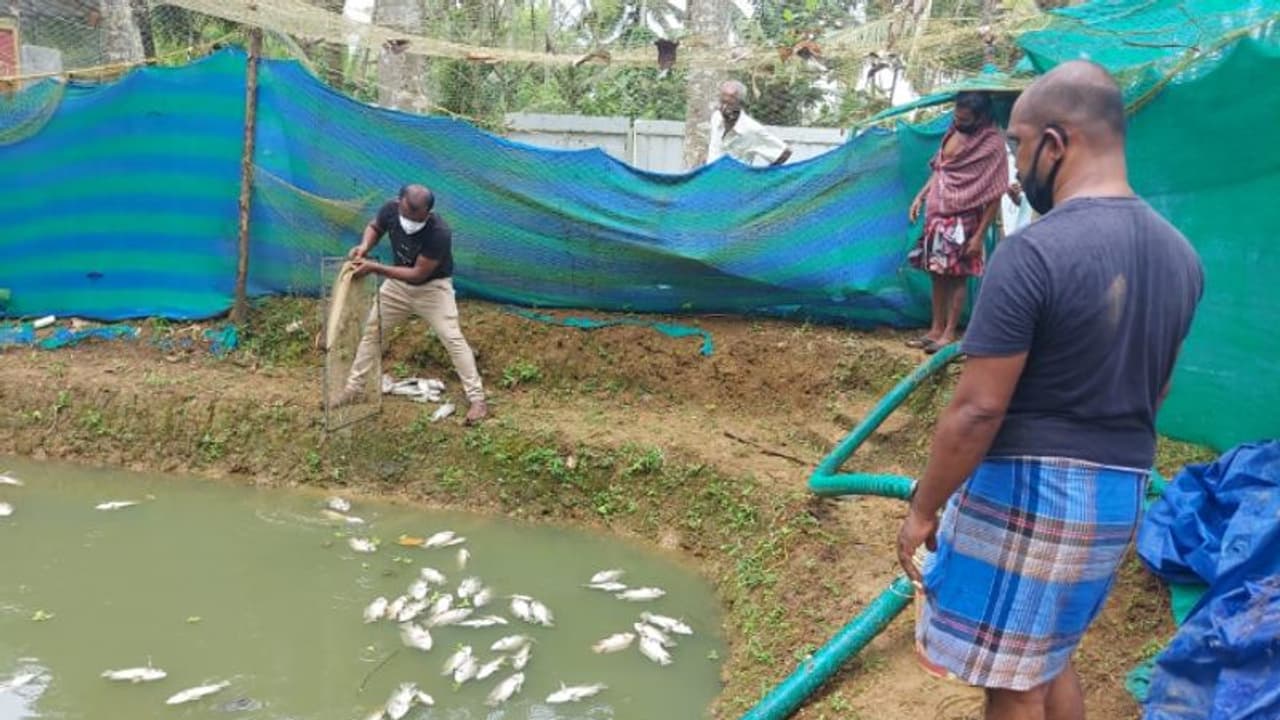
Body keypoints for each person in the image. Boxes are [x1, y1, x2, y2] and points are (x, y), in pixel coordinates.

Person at [896, 62, 1203, 720]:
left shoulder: (1033, 253)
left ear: (1056, 144)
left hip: (1032, 491)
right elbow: (1159, 391)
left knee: (1014, 685)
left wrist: (924, 506)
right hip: (1119, 491)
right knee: (1047, 660)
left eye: (1018, 144)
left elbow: (978, 409)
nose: (1014, 165)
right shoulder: (1182, 257)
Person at [333, 184, 488, 424]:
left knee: (453, 339)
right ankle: (354, 389)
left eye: (416, 218)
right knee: (373, 331)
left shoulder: (439, 233)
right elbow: (375, 227)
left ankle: (477, 400)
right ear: (399, 202)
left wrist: (375, 268)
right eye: (406, 215)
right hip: (397, 287)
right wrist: (364, 247)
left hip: (433, 289)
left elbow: (418, 274)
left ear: (428, 213)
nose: (409, 223)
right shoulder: (390, 209)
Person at [906, 91, 1009, 354]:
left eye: (965, 119)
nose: (959, 122)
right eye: (956, 117)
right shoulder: (953, 130)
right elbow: (941, 169)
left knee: (956, 276)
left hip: (963, 220)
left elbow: (996, 192)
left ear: (981, 117)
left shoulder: (992, 144)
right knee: (936, 273)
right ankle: (935, 329)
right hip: (937, 214)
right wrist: (921, 195)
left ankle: (950, 333)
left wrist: (978, 236)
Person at [706, 80, 793, 167]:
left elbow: (784, 153)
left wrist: (761, 174)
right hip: (710, 174)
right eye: (722, 102)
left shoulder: (752, 129)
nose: (724, 108)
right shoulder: (716, 117)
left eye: (730, 104)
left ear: (741, 104)